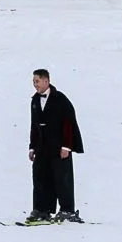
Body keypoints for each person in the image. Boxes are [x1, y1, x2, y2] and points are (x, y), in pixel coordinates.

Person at [27, 69, 84, 223]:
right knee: (40, 178)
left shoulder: (60, 99)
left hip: (59, 148)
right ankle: (42, 209)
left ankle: (67, 210)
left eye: (37, 81)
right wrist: (32, 147)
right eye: (33, 82)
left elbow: (68, 123)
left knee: (62, 179)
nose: (35, 85)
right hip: (41, 147)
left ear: (46, 81)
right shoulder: (34, 101)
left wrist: (66, 146)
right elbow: (34, 125)